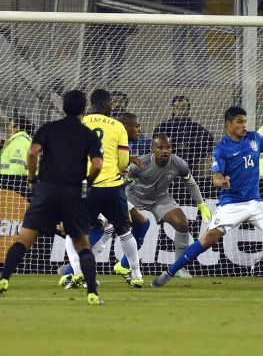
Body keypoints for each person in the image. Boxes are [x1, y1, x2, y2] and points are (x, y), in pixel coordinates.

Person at [152, 106, 263, 288]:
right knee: (206, 241)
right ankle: (169, 272)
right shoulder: (221, 149)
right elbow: (216, 178)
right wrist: (222, 182)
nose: (244, 125)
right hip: (232, 205)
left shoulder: (255, 138)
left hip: (255, 203)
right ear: (228, 125)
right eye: (239, 122)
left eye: (245, 121)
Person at [0, 90, 104, 305]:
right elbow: (97, 164)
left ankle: (3, 280)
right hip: (73, 192)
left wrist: (31, 178)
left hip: (46, 190)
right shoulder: (89, 134)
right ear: (84, 111)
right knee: (82, 244)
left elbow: (32, 152)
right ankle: (92, 293)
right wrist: (88, 182)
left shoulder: (47, 129)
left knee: (24, 239)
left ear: (63, 108)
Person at [124, 133, 212, 279]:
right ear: (152, 149)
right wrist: (121, 203)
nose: (165, 151)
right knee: (113, 226)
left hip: (160, 199)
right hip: (134, 197)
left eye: (168, 147)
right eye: (160, 147)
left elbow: (190, 183)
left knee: (182, 223)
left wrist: (202, 205)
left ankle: (179, 268)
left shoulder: (179, 164)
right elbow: (124, 183)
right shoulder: (140, 163)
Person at [83, 89, 143, 288]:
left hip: (86, 186)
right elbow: (124, 160)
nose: (113, 107)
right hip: (112, 185)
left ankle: (82, 275)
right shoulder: (117, 126)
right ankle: (136, 274)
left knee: (86, 231)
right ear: (106, 104)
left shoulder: (81, 123)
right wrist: (117, 168)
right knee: (124, 230)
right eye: (111, 104)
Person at [153, 95, 214, 184]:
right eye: (177, 108)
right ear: (173, 109)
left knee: (208, 156)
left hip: (191, 161)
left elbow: (209, 139)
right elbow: (157, 141)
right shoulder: (164, 126)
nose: (180, 111)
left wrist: (188, 144)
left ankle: (202, 185)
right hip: (168, 160)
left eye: (183, 108)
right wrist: (177, 144)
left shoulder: (195, 127)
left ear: (188, 109)